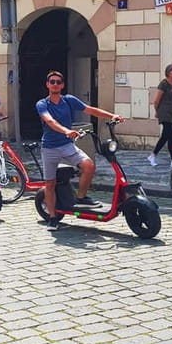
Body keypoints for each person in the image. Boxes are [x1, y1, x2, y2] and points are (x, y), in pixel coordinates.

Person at [36, 70, 124, 231]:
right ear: (47, 84)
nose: (55, 84)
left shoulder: (69, 100)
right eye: (52, 82)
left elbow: (90, 110)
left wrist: (111, 115)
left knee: (88, 166)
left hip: (67, 145)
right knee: (50, 183)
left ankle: (80, 197)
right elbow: (49, 121)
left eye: (58, 82)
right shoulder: (42, 104)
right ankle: (53, 218)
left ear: (62, 85)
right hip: (49, 148)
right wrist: (66, 131)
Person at [148, 64, 172, 168]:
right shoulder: (164, 84)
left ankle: (153, 155)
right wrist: (157, 111)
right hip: (165, 112)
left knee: (166, 135)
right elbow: (157, 100)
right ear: (168, 72)